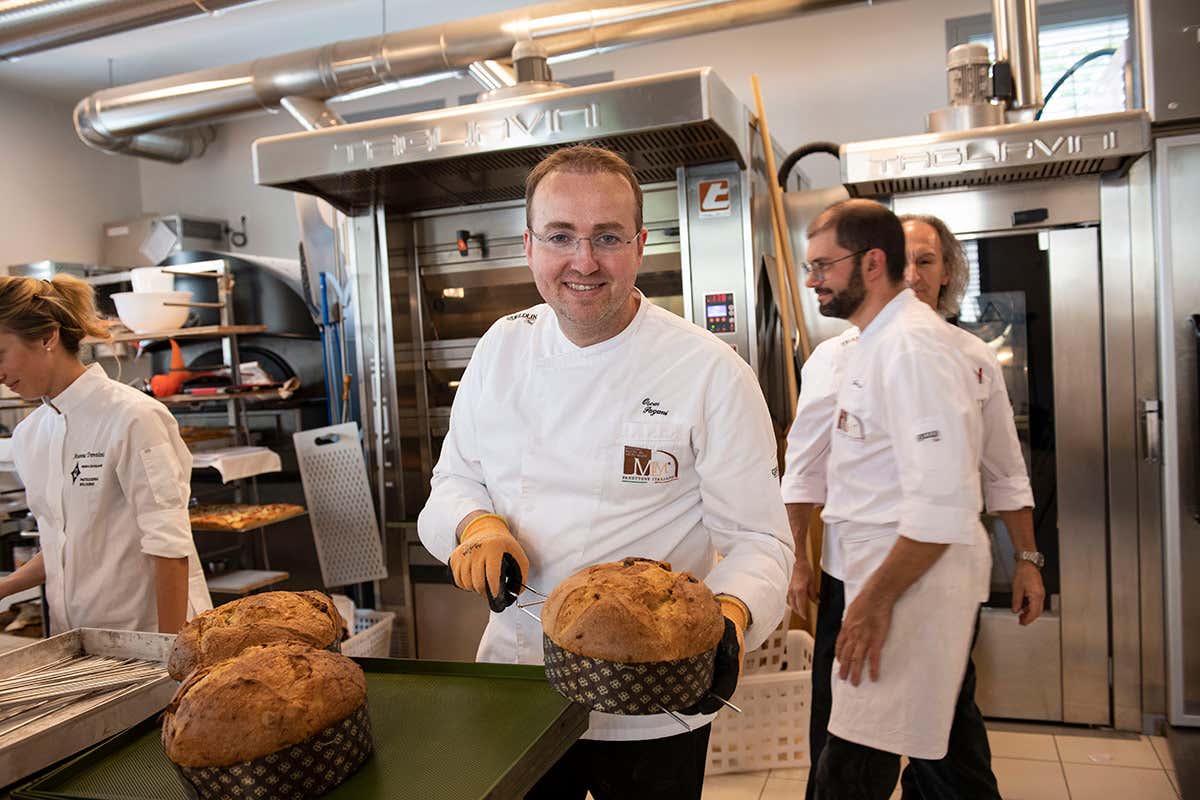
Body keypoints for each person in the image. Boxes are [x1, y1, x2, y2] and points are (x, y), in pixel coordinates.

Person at [416, 144, 792, 799]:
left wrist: (729, 616)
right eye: (560, 236)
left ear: (640, 246)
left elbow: (759, 539)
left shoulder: (710, 372)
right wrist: (475, 525)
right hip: (521, 677)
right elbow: (453, 480)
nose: (584, 261)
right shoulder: (501, 348)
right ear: (529, 246)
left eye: (608, 237)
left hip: (654, 695)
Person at [785, 212, 1046, 798]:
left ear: (873, 263)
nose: (812, 280)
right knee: (872, 751)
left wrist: (873, 602)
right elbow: (810, 466)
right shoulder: (871, 345)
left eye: (823, 266)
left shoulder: (915, 349)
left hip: (904, 588)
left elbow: (943, 503)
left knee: (876, 762)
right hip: (874, 579)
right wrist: (808, 562)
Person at [0, 274, 211, 634]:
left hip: (149, 636)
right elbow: (63, 546)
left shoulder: (133, 417)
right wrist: (5, 588)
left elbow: (169, 547)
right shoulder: (29, 435)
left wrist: (168, 651)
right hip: (80, 645)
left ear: (48, 337)